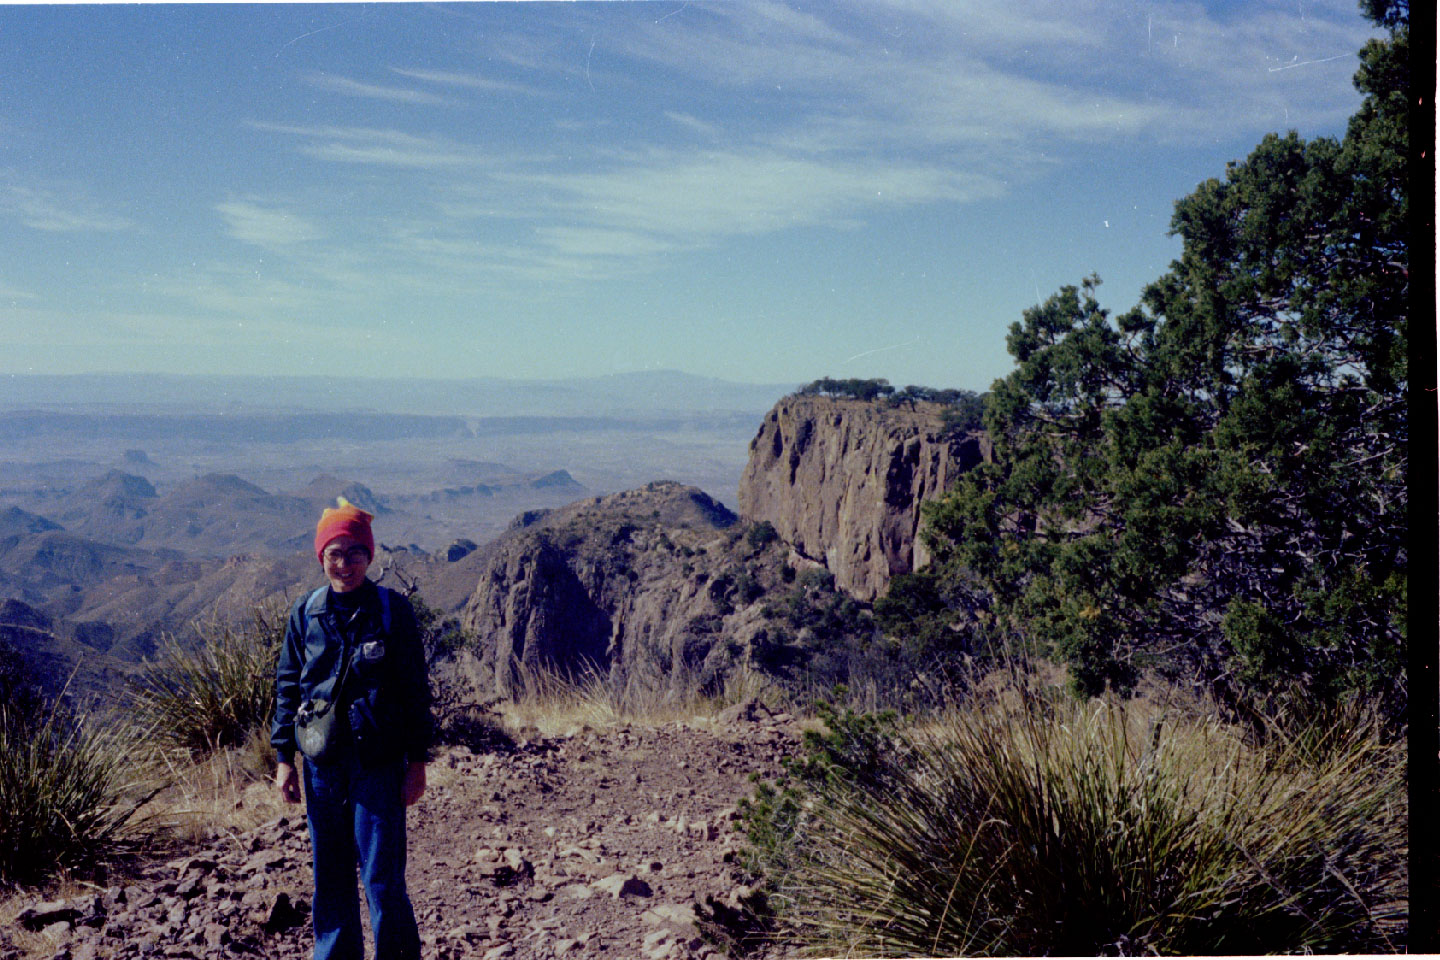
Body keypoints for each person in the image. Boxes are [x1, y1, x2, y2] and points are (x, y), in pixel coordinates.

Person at [272, 498, 432, 960]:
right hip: (322, 765)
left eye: (354, 553)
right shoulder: (306, 614)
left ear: (370, 556)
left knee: (382, 876)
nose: (344, 564)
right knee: (331, 874)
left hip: (378, 763)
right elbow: (287, 686)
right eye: (334, 554)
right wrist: (284, 757)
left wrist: (417, 763)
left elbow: (415, 691)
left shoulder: (391, 612)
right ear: (320, 557)